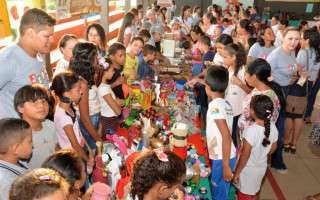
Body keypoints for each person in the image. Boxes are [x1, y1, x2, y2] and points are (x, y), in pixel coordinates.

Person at [0, 8, 55, 119]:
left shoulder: (36, 54)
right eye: (47, 36)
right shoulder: (7, 60)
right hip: (15, 133)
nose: (52, 40)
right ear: (30, 33)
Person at [267, 27, 302, 174]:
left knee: (277, 128)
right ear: (283, 38)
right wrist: (277, 88)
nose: (293, 42)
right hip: (275, 93)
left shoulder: (292, 52)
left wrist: (300, 72)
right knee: (278, 128)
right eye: (290, 38)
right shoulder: (275, 55)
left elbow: (290, 70)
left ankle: (275, 160)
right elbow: (265, 75)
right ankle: (277, 162)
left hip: (286, 91)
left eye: (297, 39)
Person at [51, 71, 94, 190]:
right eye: (78, 89)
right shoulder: (64, 117)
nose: (81, 92)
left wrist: (89, 149)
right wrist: (88, 160)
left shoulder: (69, 107)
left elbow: (78, 133)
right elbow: (75, 145)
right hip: (75, 157)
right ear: (66, 94)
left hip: (81, 151)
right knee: (83, 186)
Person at [233, 95, 278, 199]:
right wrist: (262, 153)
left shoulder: (250, 131)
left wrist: (236, 173)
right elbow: (274, 147)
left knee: (244, 195)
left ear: (252, 111)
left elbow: (245, 155)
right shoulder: (272, 126)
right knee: (254, 191)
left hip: (247, 171)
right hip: (261, 168)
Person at [283, 29, 320, 153]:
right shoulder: (317, 53)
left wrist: (287, 86)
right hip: (308, 87)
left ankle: (286, 141)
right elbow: (314, 77)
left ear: (308, 41)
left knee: (288, 114)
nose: (300, 41)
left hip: (297, 86)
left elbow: (296, 73)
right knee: (298, 116)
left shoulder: (304, 53)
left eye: (302, 38)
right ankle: (294, 144)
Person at [204, 66, 236, 200]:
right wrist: (208, 138)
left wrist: (225, 166)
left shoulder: (215, 107)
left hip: (223, 158)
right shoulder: (225, 103)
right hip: (225, 155)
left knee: (219, 195)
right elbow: (221, 129)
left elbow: (226, 135)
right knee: (219, 191)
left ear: (208, 87)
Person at [239, 58, 285, 140]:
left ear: (254, 77)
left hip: (256, 141)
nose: (244, 76)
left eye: (245, 74)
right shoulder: (258, 88)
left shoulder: (266, 97)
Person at [14, 84, 58, 169]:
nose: (41, 105)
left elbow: (56, 148)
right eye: (34, 102)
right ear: (20, 108)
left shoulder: (50, 125)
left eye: (44, 101)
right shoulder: (19, 136)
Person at [222, 43, 251, 147]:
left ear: (233, 57)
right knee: (229, 134)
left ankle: (234, 157)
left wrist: (240, 83)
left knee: (234, 135)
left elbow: (251, 91)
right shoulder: (228, 68)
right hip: (228, 109)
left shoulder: (244, 70)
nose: (223, 59)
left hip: (239, 110)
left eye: (225, 57)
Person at [0, 118, 31, 200]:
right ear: (16, 149)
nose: (33, 143)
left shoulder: (17, 161)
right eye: (30, 141)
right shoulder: (9, 184)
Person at [96, 58, 124, 135]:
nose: (114, 72)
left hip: (109, 120)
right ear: (105, 72)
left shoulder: (105, 86)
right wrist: (119, 103)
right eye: (112, 70)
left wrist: (117, 102)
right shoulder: (104, 89)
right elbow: (118, 112)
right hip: (108, 122)